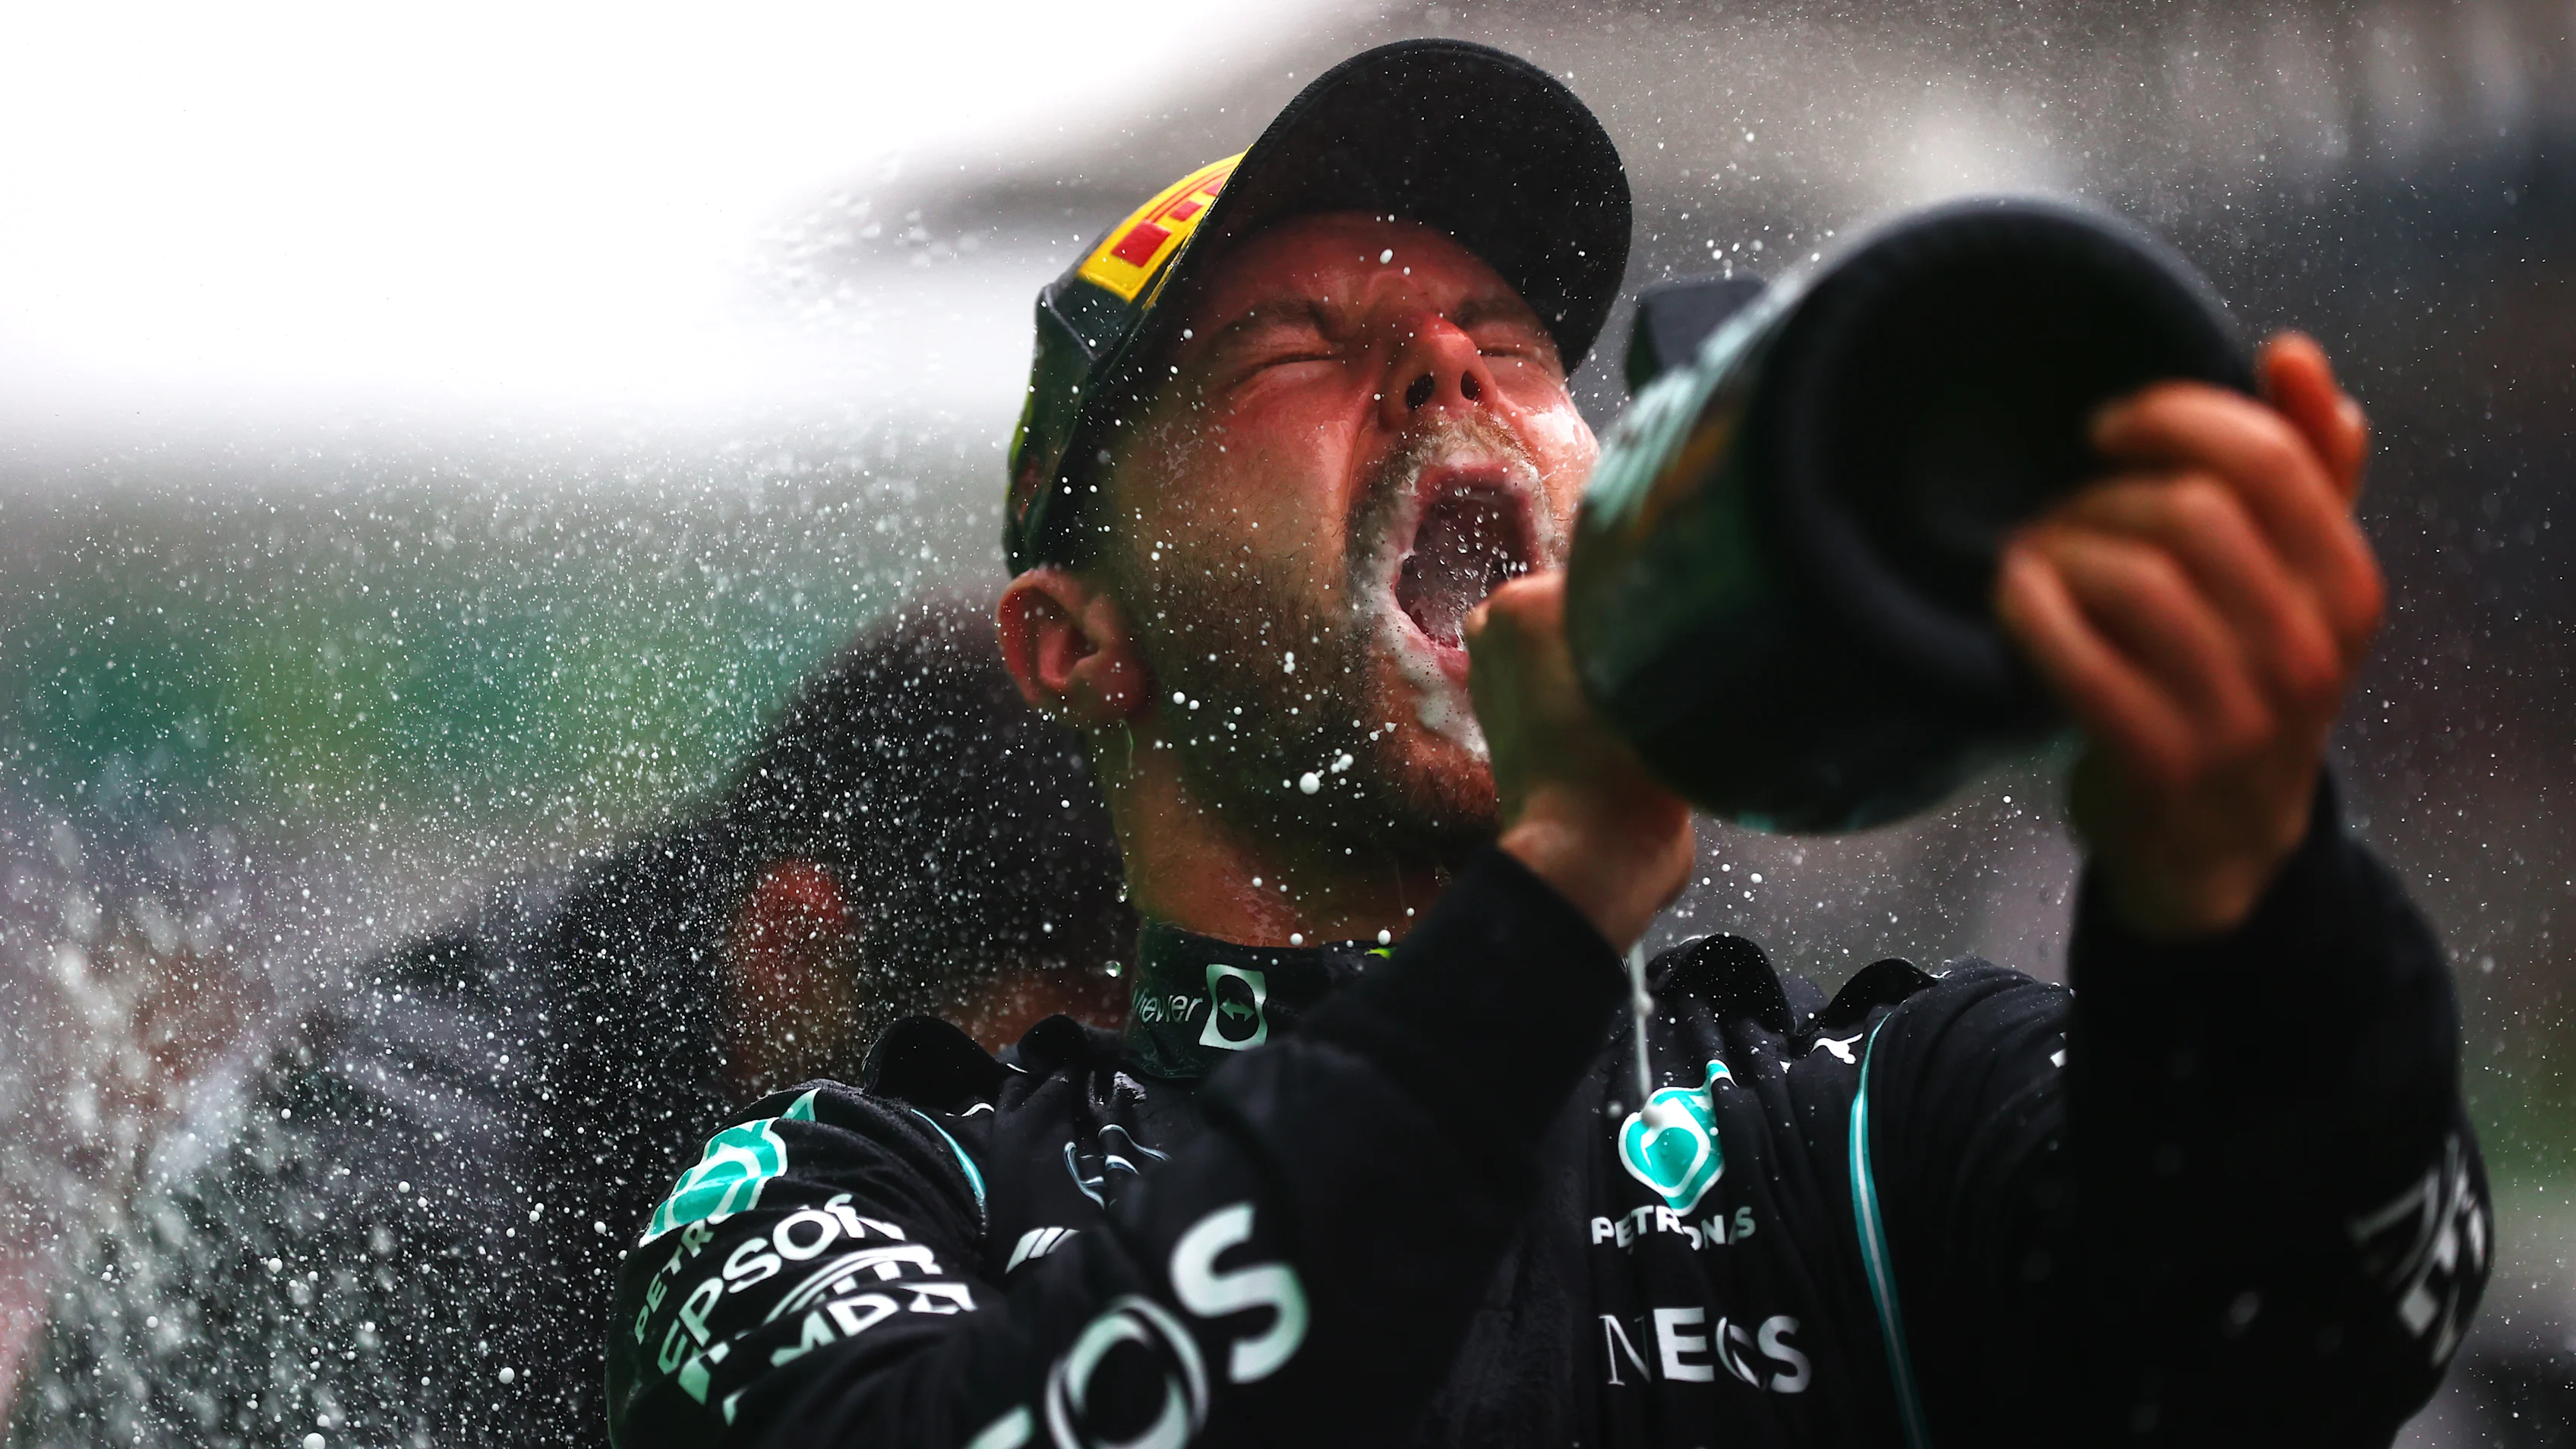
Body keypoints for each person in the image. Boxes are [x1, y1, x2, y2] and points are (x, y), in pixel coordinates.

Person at [605, 39, 2488, 1449]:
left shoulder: (1870, 1128)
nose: (1444, 375)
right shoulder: (846, 1195)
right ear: (1072, 646)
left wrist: (2248, 895)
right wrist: (1550, 898)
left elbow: (2308, 1327)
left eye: (1506, 345)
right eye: (1294, 352)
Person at [8, 594, 1129, 1448]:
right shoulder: (417, 1229)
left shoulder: (661, 992)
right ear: (796, 948)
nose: (1097, 1126)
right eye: (1039, 1063)